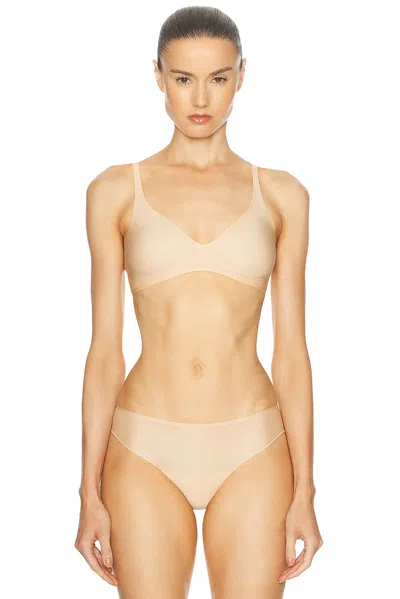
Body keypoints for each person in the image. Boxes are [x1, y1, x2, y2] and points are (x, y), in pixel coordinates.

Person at [74, 5, 323, 598]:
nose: (201, 98)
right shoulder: (115, 190)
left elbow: (292, 354)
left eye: (219, 78)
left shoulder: (283, 195)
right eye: (183, 78)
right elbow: (104, 353)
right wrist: (87, 492)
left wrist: (306, 491)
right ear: (158, 76)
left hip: (254, 445)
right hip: (143, 446)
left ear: (242, 76)